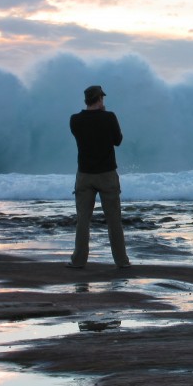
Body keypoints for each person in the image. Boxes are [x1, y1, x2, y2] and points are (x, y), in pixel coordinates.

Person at [67, 85, 131, 269]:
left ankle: (78, 261)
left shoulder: (75, 120)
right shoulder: (109, 117)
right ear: (100, 99)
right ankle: (122, 261)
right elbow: (117, 140)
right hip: (107, 174)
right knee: (113, 221)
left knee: (83, 220)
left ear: (86, 100)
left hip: (85, 175)